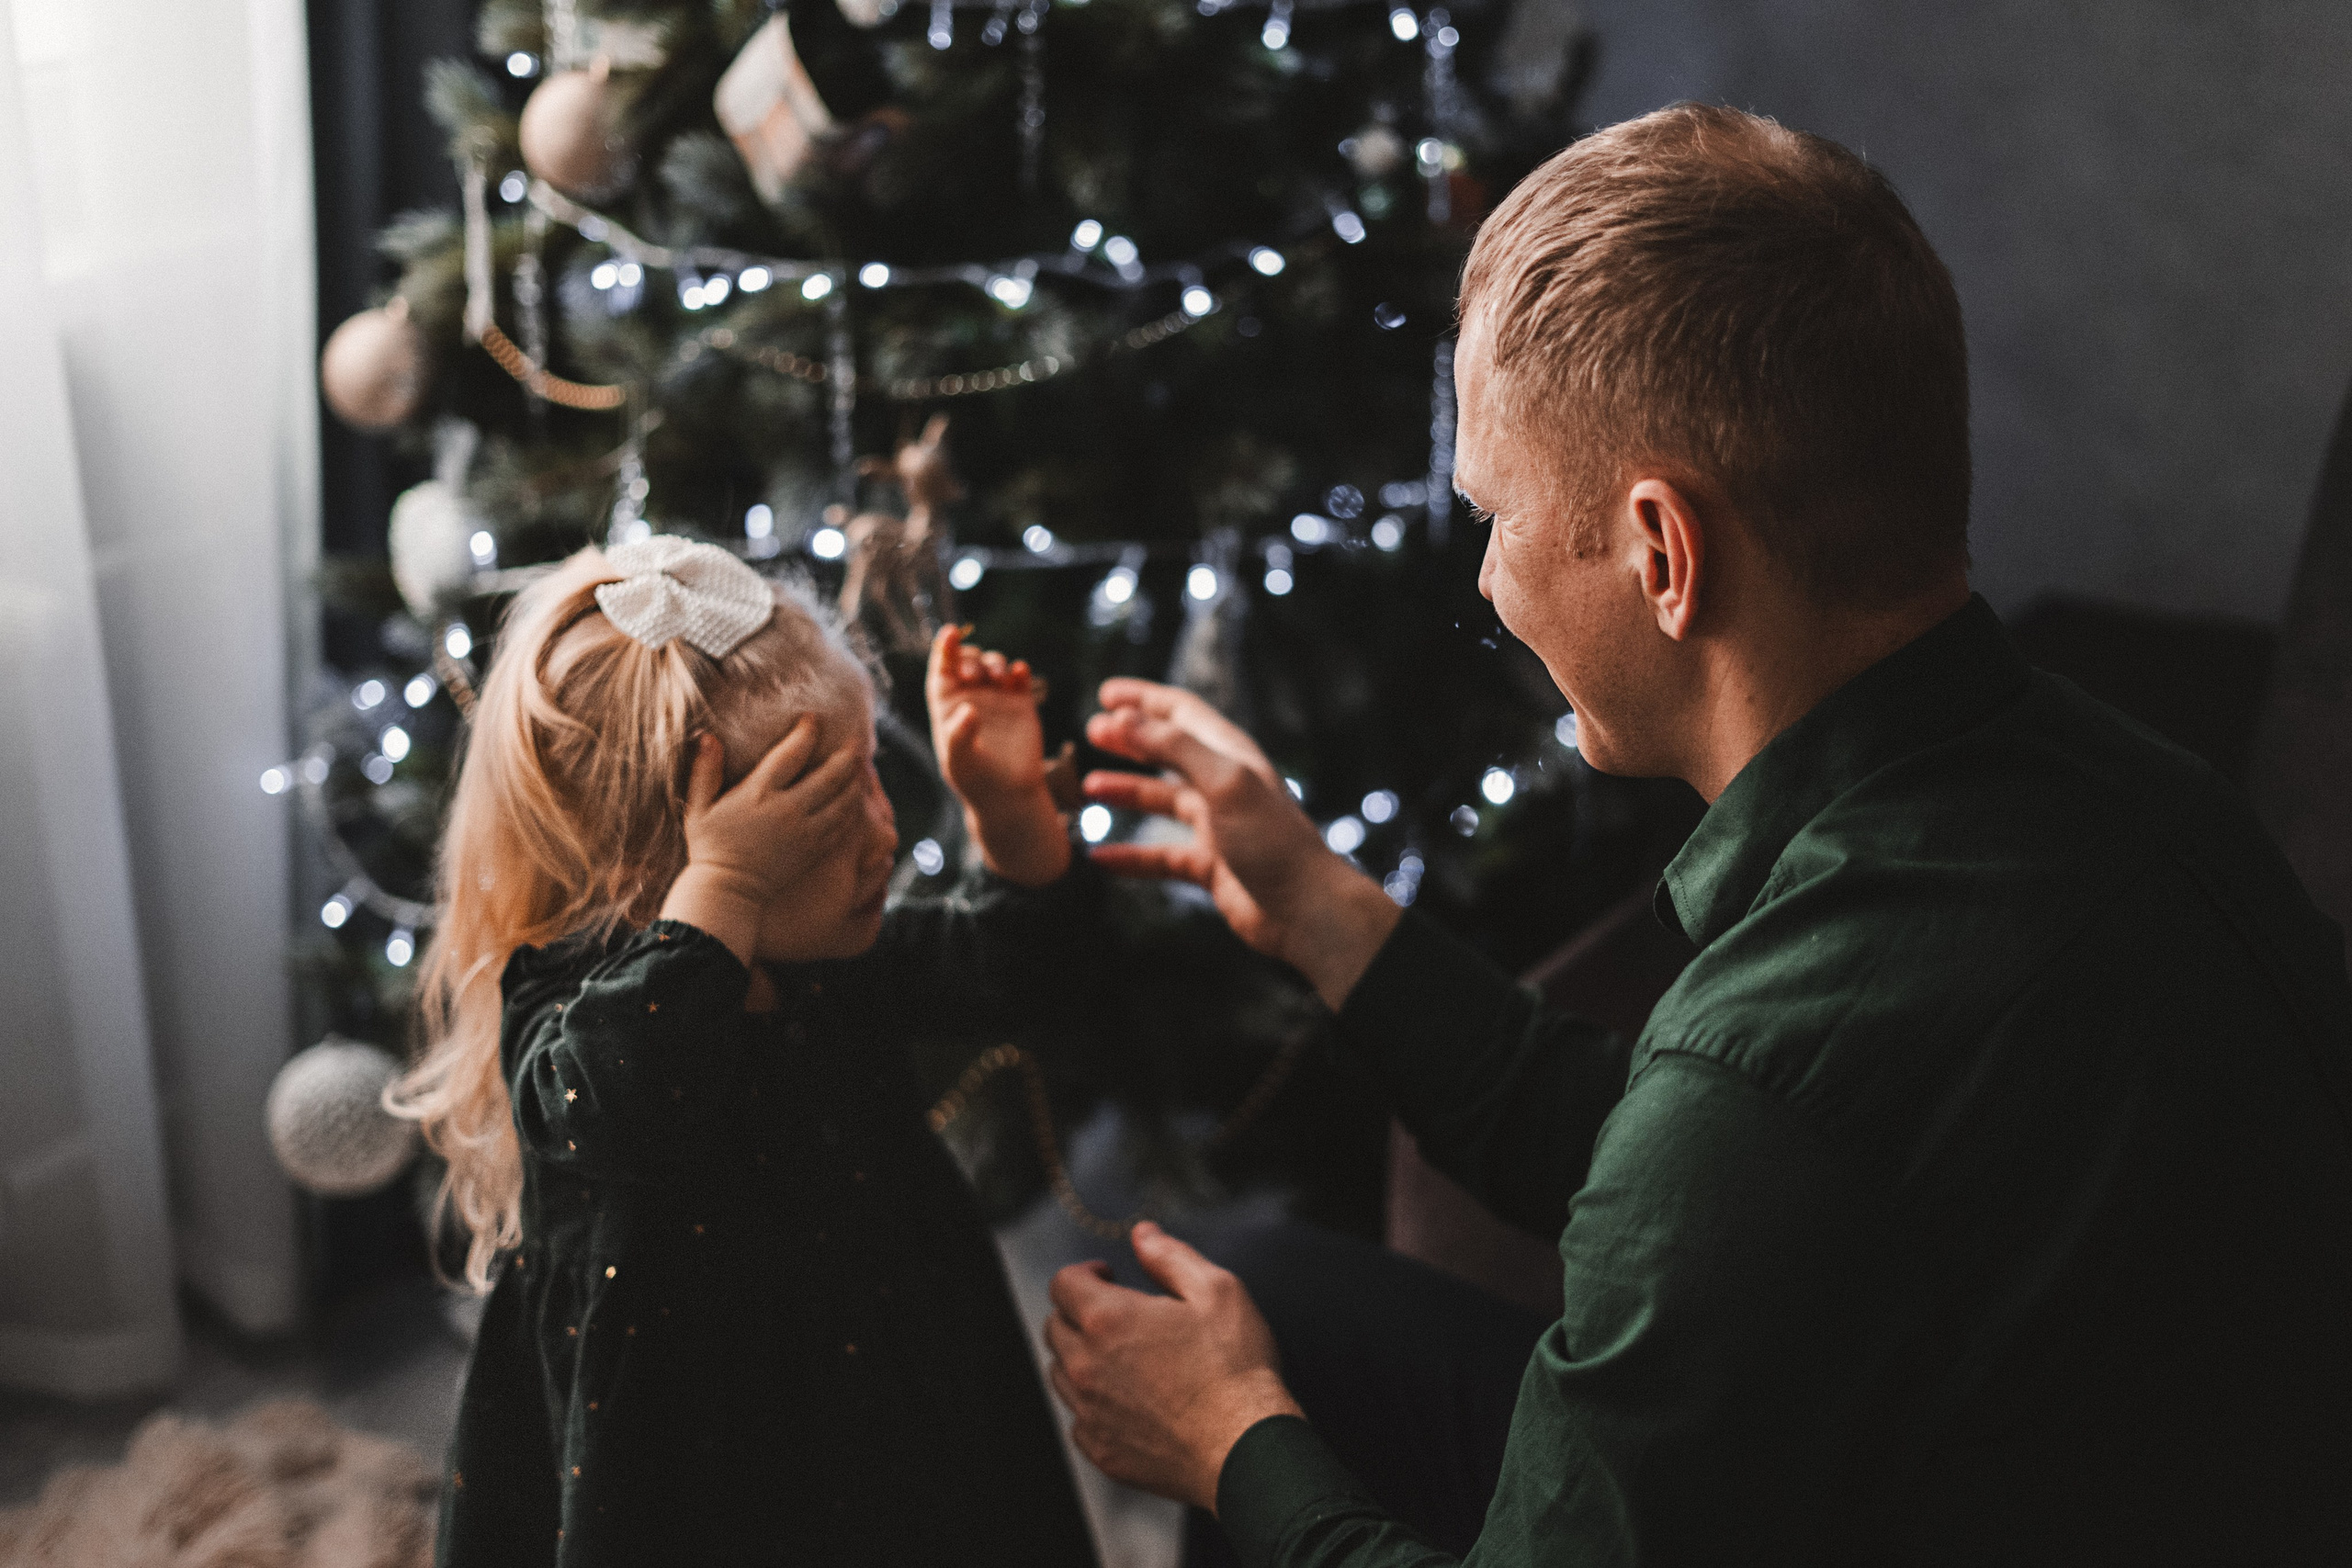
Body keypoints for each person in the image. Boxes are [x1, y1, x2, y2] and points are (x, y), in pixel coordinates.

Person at [1045, 104, 2352, 1565]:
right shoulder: (2146, 799)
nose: (1487, 580)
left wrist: (1229, 1443)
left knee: (1245, 1382)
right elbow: (1713, 1174)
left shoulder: (1766, 1087)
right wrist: (1318, 906)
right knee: (1267, 1284)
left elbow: (1736, 1146)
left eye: (1502, 514)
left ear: (1665, 553)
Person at [390, 538, 1099, 1566]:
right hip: (683, 1456)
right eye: (817, 815)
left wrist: (1011, 814)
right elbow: (612, 1100)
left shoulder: (839, 961)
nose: (882, 835)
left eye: (868, 775)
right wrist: (722, 893)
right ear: (657, 872)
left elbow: (1018, 968)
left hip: (898, 1375)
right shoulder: (568, 1002)